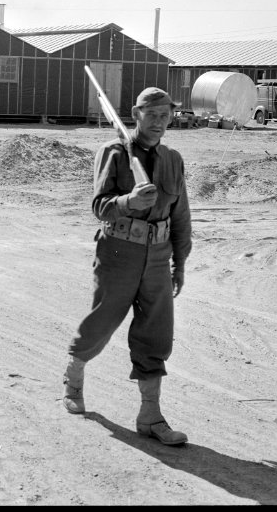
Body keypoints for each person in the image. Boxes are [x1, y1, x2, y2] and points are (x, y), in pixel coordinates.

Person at [62, 86, 192, 446]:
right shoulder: (115, 153)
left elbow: (180, 214)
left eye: (166, 116)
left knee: (156, 333)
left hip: (158, 255)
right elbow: (99, 206)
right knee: (102, 322)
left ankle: (150, 416)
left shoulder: (172, 159)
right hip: (119, 251)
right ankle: (74, 377)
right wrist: (128, 201)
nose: (160, 123)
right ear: (137, 115)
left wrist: (180, 260)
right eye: (153, 115)